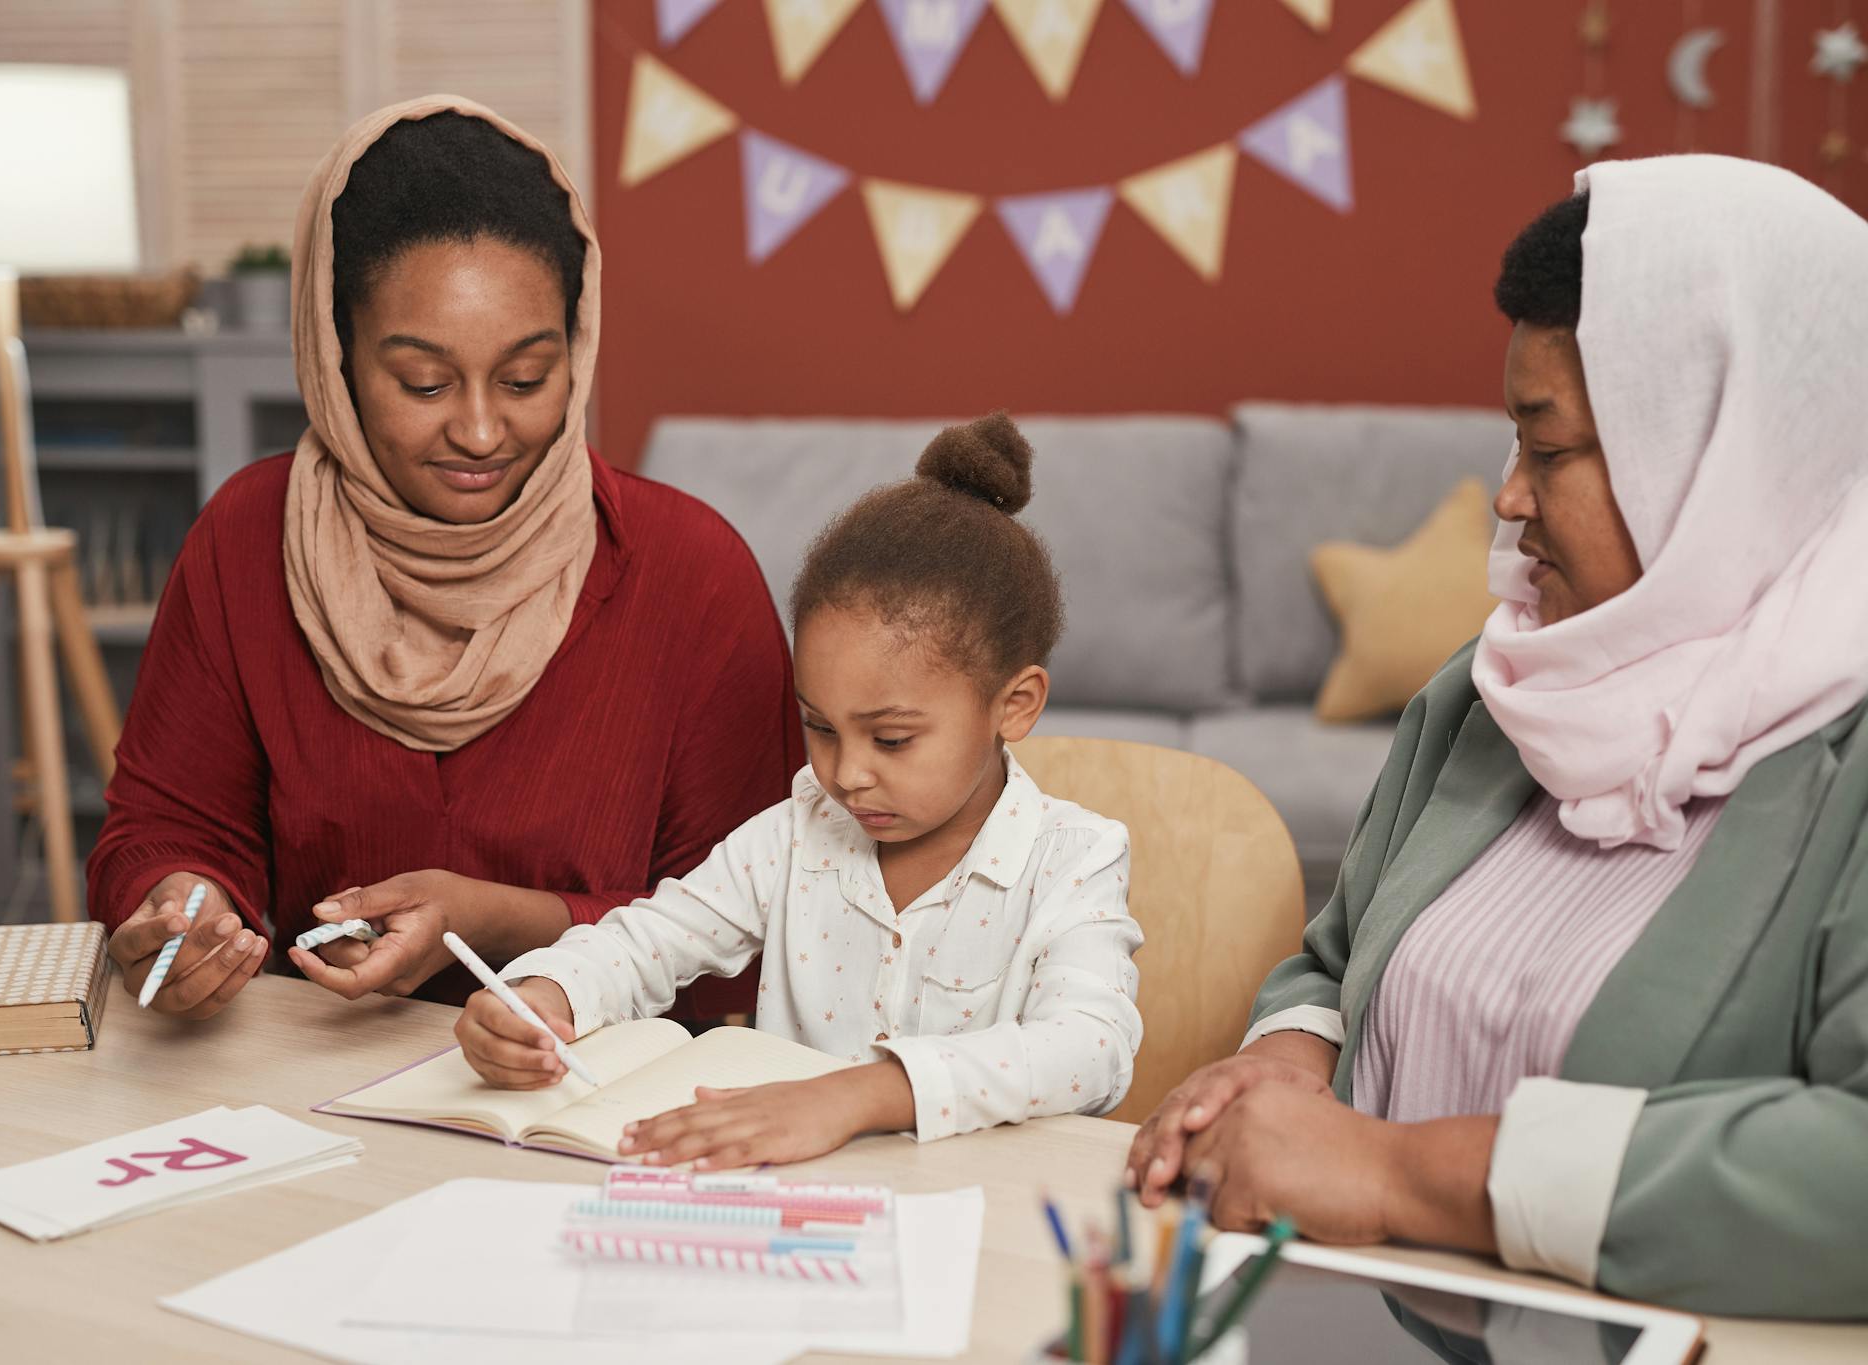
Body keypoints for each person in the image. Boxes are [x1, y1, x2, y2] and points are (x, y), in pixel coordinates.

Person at [1123, 155, 1868, 1318]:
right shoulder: (1499, 687)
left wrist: (1397, 1174)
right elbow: (1331, 960)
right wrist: (1284, 1062)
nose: (1508, 497)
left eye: (1550, 446)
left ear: (1720, 452)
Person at [88, 97, 798, 1020]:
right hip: (321, 1095)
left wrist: (501, 921)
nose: (477, 430)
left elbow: (756, 936)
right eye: (423, 382)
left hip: (602, 1108)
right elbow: (168, 825)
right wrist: (183, 902)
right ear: (336, 354)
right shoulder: (247, 539)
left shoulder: (692, 576)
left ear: (575, 354)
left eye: (525, 379)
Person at [457, 415, 1145, 1168]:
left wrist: (861, 1093)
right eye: (819, 726)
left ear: (1014, 705)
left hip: (980, 1214)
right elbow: (648, 937)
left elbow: (1093, 1049)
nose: (845, 773)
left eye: (891, 738)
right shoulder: (794, 833)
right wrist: (546, 992)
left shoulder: (1074, 859)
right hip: (783, 1205)